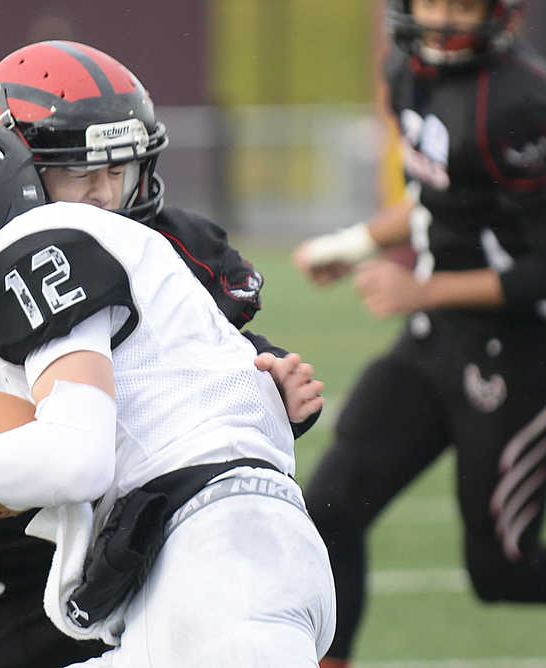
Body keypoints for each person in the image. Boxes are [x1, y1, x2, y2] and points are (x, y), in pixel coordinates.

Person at [0, 42, 324, 667]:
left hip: (192, 550)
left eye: (118, 169)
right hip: (147, 550)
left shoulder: (50, 251)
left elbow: (79, 455)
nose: (101, 194)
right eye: (78, 170)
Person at [292, 1, 546, 665]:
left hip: (519, 357)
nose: (445, 18)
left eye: (464, 3)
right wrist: (352, 243)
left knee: (502, 575)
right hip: (436, 339)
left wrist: (421, 288)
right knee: (329, 509)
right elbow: (438, 198)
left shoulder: (522, 101)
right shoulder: (406, 69)